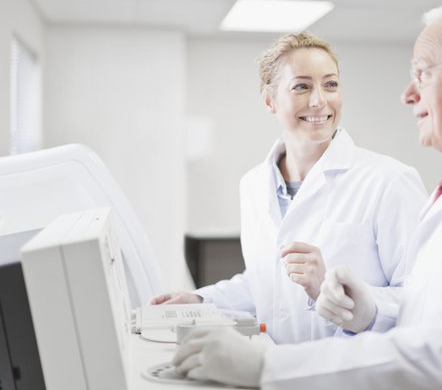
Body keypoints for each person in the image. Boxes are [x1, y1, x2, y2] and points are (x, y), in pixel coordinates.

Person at [171, 0, 442, 389]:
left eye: (422, 73)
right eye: (301, 86)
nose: (408, 93)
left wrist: (268, 367)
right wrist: (367, 309)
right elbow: (427, 312)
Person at [151, 32, 427, 345]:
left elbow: (422, 299)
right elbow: (266, 281)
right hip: (279, 370)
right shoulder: (254, 185)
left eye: (331, 84)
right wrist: (200, 302)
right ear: (270, 101)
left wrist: (334, 293)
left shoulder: (389, 180)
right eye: (302, 86)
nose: (319, 100)